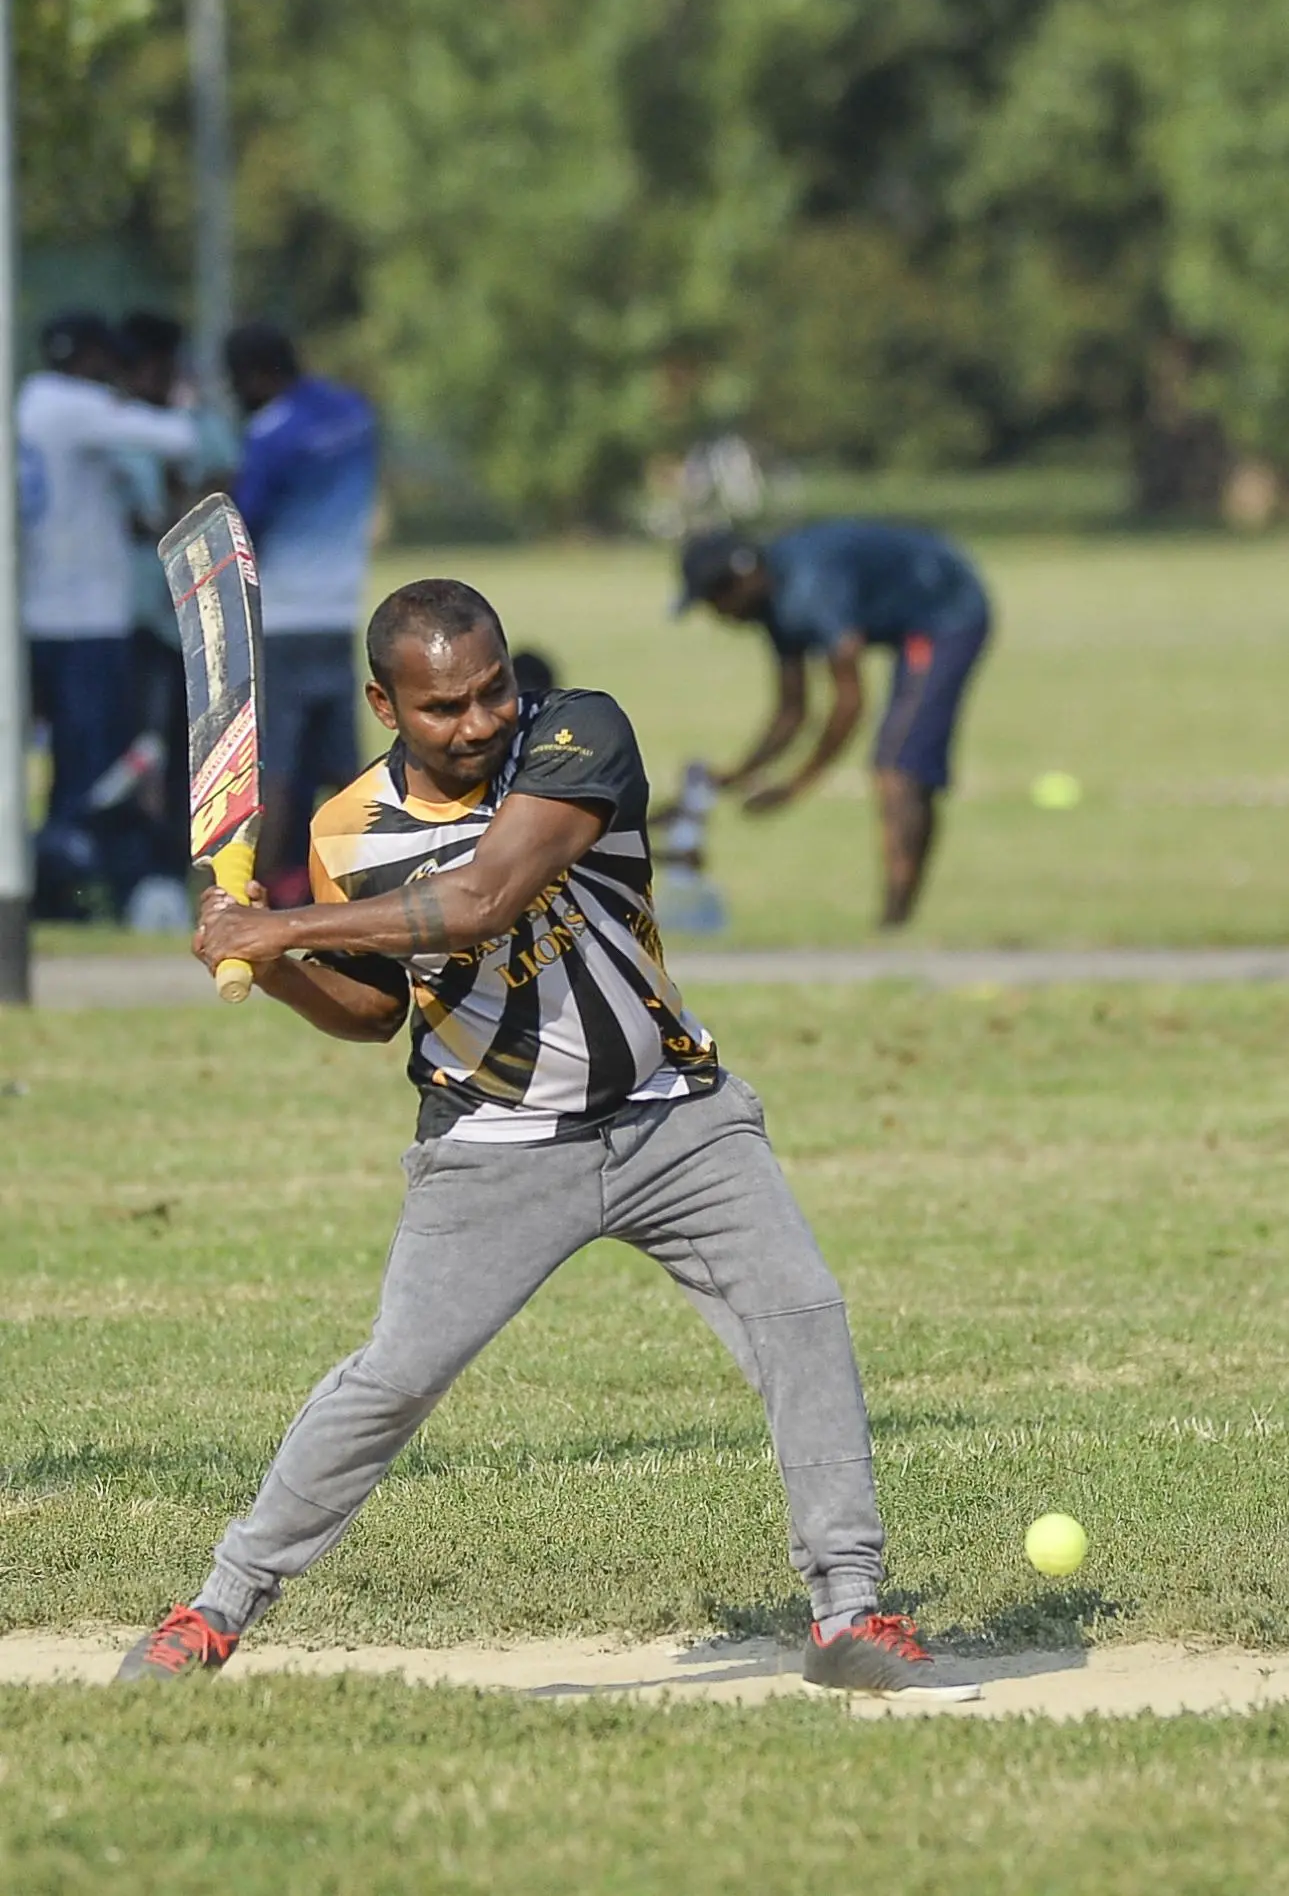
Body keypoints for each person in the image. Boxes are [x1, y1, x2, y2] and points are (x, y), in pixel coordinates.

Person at [116, 578, 976, 1702]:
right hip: (490, 1145)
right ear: (385, 704)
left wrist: (281, 922)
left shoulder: (578, 735)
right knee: (392, 1380)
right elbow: (376, 1010)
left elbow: (480, 899)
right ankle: (213, 1612)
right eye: (443, 709)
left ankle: (849, 1613)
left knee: (800, 1314)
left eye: (492, 690)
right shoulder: (343, 834)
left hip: (676, 1117)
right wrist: (275, 968)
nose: (479, 723)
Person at [676, 521, 992, 927]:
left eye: (714, 601)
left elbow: (849, 704)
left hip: (946, 612)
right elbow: (792, 712)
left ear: (741, 580)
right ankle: (894, 923)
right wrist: (738, 775)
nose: (717, 616)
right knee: (896, 763)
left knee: (898, 768)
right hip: (913, 616)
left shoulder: (810, 591)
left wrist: (796, 786)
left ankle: (894, 925)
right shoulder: (771, 601)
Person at [18, 311, 198, 919]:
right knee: (94, 768)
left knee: (62, 762)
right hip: (86, 621)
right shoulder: (77, 407)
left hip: (40, 613)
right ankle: (69, 882)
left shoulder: (28, 404)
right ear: (87, 358)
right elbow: (183, 440)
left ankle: (52, 874)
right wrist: (184, 403)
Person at [225, 323, 379, 906]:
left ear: (258, 375)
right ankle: (370, 880)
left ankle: (255, 895)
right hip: (340, 611)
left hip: (283, 619)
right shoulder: (354, 415)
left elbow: (246, 528)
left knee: (279, 768)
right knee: (346, 766)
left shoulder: (271, 435)